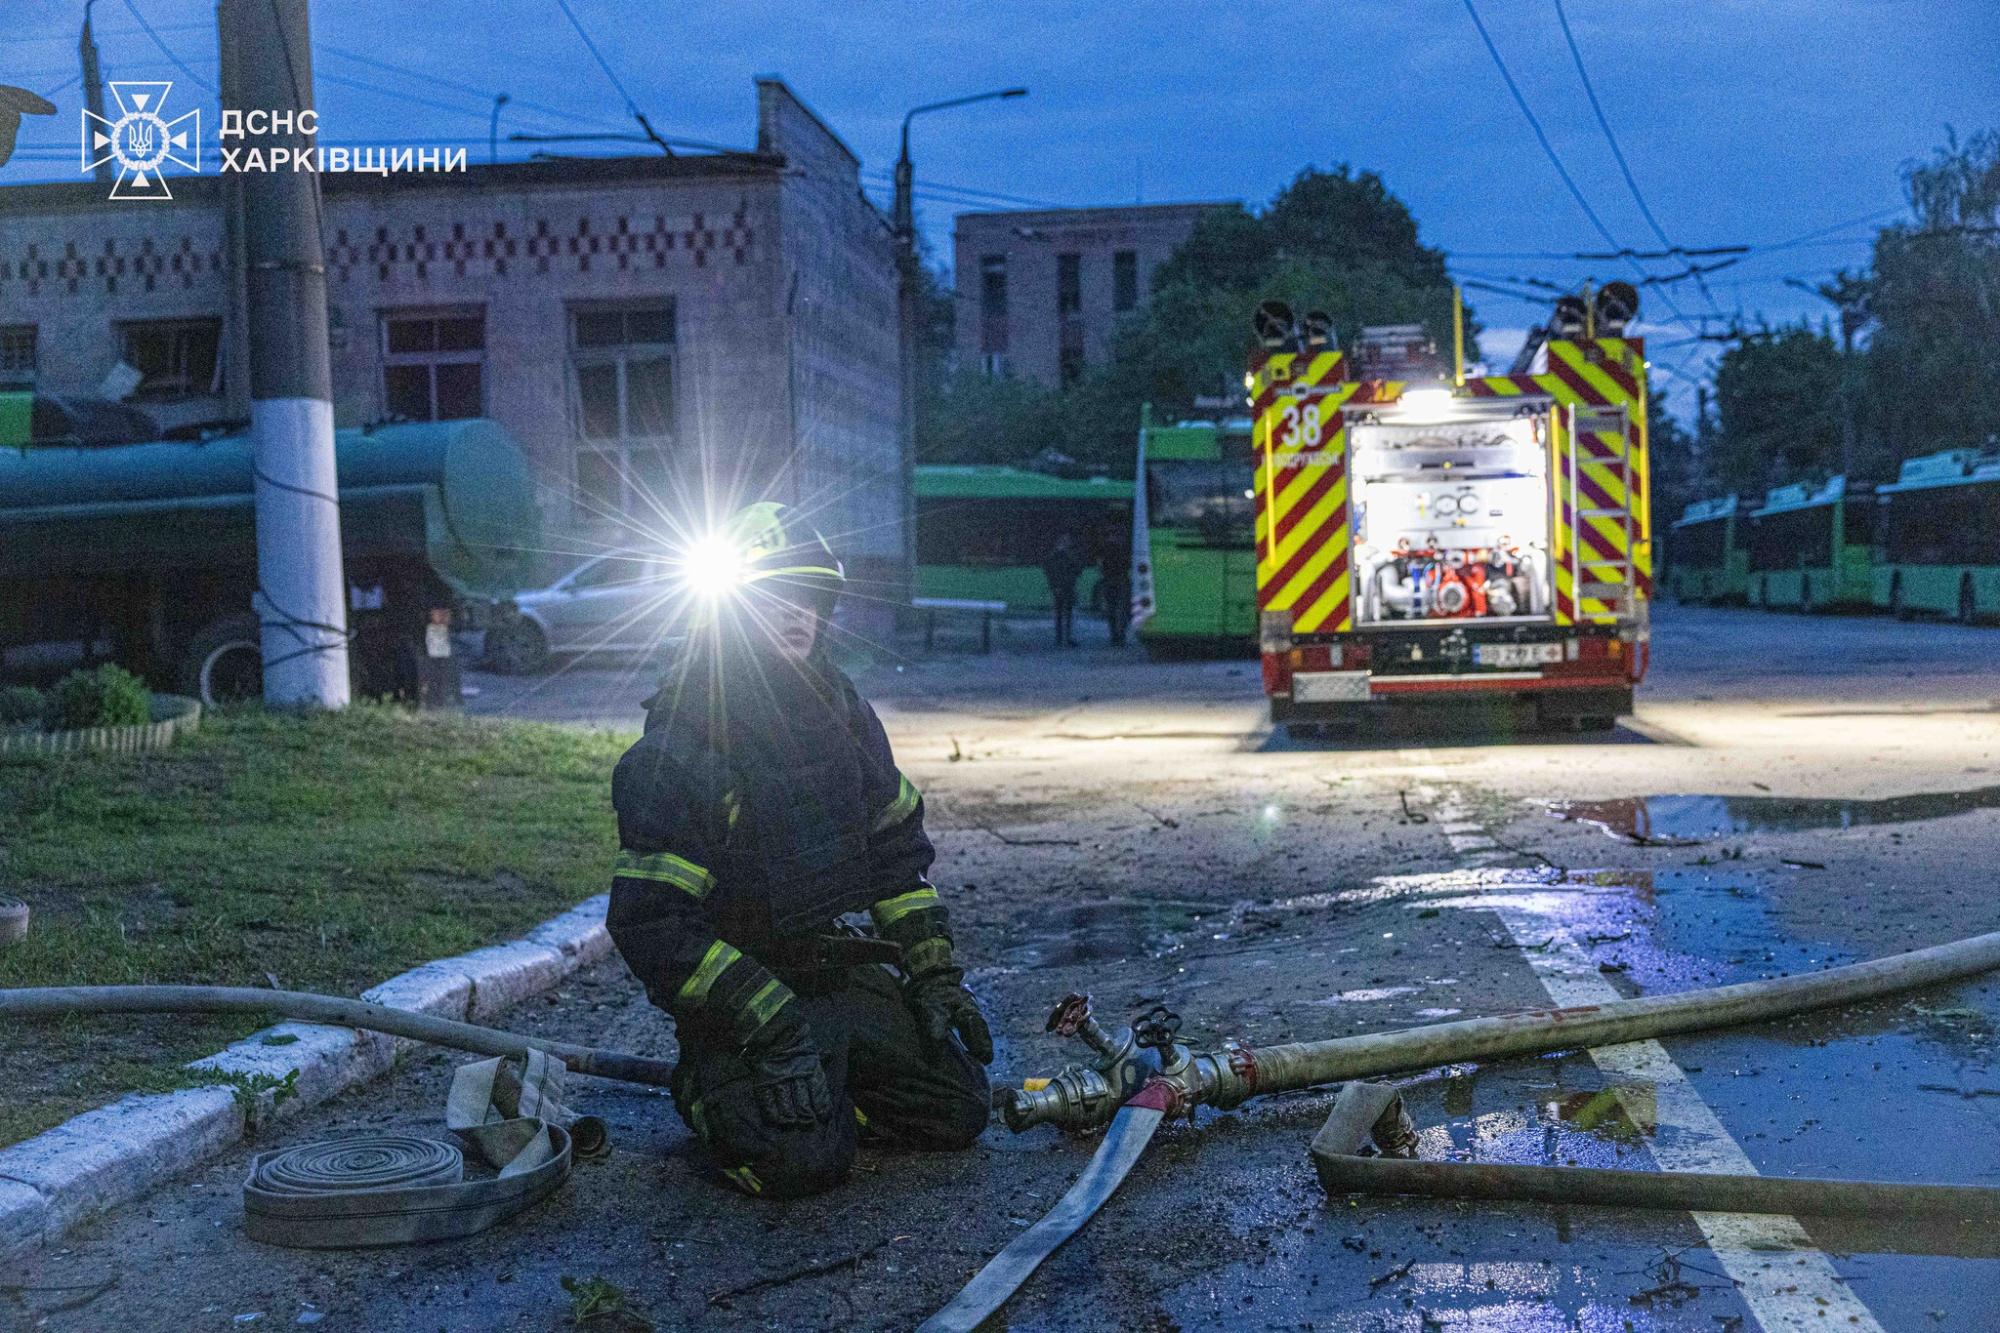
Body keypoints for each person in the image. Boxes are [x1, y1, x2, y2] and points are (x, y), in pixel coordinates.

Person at [606, 502, 992, 1199]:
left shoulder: (843, 716)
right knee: (800, 1164)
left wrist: (934, 973)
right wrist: (769, 1020)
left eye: (808, 597)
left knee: (957, 1111)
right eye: (771, 598)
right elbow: (653, 925)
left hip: (830, 970)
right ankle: (705, 1088)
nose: (796, 614)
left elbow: (897, 859)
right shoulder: (682, 747)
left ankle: (832, 1080)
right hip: (744, 999)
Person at [1042, 531, 1084, 647]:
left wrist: (1053, 586)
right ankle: (1065, 637)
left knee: (1062, 614)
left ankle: (1061, 637)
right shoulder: (1064, 556)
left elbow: (1048, 572)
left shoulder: (1055, 556)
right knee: (1065, 614)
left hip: (1062, 588)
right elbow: (1077, 570)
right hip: (1065, 587)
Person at [1098, 524, 1133, 648]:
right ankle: (1121, 635)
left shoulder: (1104, 547)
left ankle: (1114, 636)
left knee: (1111, 610)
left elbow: (1101, 565)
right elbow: (1128, 564)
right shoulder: (1125, 547)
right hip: (1122, 580)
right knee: (1123, 610)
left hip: (1108, 580)